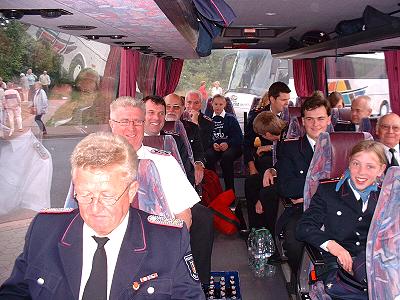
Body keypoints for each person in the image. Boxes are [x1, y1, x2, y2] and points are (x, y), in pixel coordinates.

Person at [0, 132, 205, 299]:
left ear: (132, 191)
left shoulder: (168, 241)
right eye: (85, 195)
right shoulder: (45, 230)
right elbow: (17, 292)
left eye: (107, 196)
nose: (95, 208)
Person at [109, 97, 213, 284]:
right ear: (111, 124)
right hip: (109, 246)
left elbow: (183, 217)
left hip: (156, 248)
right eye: (124, 121)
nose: (131, 128)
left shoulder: (164, 162)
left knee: (203, 217)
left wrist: (168, 257)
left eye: (138, 122)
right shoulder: (95, 165)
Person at [296, 140, 387, 299]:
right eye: (356, 164)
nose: (361, 172)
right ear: (349, 163)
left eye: (370, 166)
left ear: (381, 170)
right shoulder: (328, 191)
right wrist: (333, 246)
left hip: (374, 266)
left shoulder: (387, 197)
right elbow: (304, 227)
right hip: (335, 265)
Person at [274, 95, 331, 278]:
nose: (316, 124)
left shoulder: (342, 147)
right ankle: (300, 279)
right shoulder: (290, 149)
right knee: (293, 240)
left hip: (339, 208)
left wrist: (308, 190)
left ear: (329, 120)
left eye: (321, 118)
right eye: (310, 119)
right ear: (302, 122)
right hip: (303, 209)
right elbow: (286, 187)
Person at [246, 111, 287, 232]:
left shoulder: (289, 137)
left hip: (288, 176)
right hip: (278, 171)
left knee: (265, 194)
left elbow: (285, 165)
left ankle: (270, 232)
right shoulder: (279, 138)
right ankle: (256, 228)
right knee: (251, 182)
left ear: (268, 134)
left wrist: (260, 199)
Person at [142, 95, 195, 185]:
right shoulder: (131, 141)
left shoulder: (176, 142)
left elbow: (188, 176)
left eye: (161, 113)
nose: (157, 118)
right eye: (151, 112)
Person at [0, 128, 52, 215]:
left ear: (32, 114)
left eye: (19, 113)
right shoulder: (3, 141)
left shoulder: (37, 158)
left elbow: (31, 210)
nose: (9, 115)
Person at [164, 93, 206, 186]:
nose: (171, 110)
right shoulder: (156, 128)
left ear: (183, 109)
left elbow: (199, 151)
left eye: (176, 107)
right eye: (168, 107)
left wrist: (198, 164)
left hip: (187, 170)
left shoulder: (192, 128)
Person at [205, 94, 243, 192]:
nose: (218, 107)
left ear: (225, 105)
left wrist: (228, 144)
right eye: (216, 104)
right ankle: (214, 189)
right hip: (215, 147)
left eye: (220, 104)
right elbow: (204, 137)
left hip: (231, 146)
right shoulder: (207, 119)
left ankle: (230, 191)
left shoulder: (231, 118)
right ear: (211, 104)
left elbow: (238, 137)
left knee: (227, 158)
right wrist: (212, 144)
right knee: (208, 156)